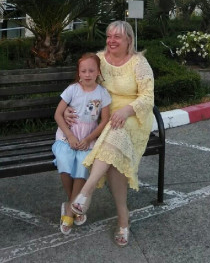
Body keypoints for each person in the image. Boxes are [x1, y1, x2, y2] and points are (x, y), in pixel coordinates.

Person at [67, 20, 154, 247]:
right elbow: (82, 85)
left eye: (117, 36)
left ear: (128, 40)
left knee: (117, 132)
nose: (111, 40)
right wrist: (67, 108)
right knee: (115, 157)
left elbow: (147, 98)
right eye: (108, 36)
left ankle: (86, 192)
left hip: (133, 117)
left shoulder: (139, 63)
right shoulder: (99, 60)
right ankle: (123, 219)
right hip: (104, 117)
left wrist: (126, 110)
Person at [53, 53, 111, 235]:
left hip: (87, 138)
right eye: (83, 71)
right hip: (67, 136)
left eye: (91, 70)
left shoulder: (102, 93)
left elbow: (104, 120)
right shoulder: (72, 90)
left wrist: (88, 139)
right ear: (78, 72)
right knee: (64, 161)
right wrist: (70, 136)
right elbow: (58, 114)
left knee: (83, 164)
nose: (87, 74)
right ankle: (74, 204)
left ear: (98, 72)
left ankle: (69, 210)